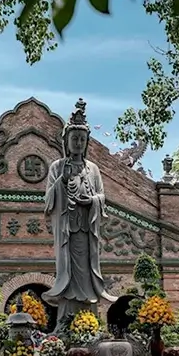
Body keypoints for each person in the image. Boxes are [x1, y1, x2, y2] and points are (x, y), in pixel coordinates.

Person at [42, 98, 115, 332]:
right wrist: (62, 180)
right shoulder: (57, 166)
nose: (78, 143)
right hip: (67, 231)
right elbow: (48, 200)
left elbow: (102, 196)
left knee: (86, 273)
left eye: (82, 139)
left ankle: (89, 322)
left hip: (86, 229)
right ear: (66, 141)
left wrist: (91, 201)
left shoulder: (93, 169)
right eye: (74, 138)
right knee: (69, 272)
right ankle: (67, 323)